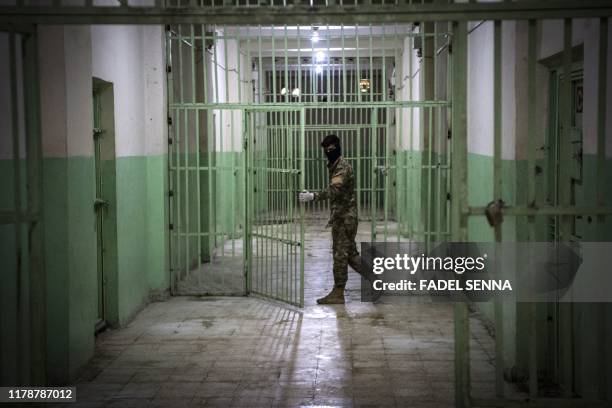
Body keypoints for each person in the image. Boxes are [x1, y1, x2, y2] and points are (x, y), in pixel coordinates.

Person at [298, 134, 378, 304]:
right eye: (326, 149)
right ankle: (376, 279)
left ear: (337, 148)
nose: (328, 151)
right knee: (350, 254)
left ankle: (338, 292)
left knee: (340, 254)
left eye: (331, 148)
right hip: (343, 217)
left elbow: (335, 189)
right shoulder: (335, 165)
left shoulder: (342, 167)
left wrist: (314, 196)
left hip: (345, 219)